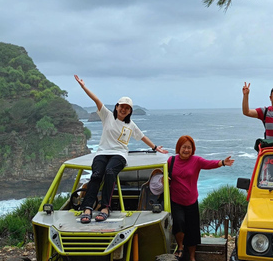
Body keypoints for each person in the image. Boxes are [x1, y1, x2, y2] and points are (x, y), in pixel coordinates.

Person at [74, 75, 168, 224]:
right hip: (103, 152)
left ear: (130, 111)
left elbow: (142, 136)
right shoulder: (107, 116)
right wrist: (83, 86)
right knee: (97, 174)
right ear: (117, 107)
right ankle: (87, 208)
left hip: (119, 154)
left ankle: (105, 208)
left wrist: (155, 147)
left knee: (110, 172)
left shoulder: (131, 125)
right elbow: (97, 100)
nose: (124, 109)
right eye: (122, 106)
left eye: (127, 108)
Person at [168, 135, 235, 261]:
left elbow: (209, 164)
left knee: (192, 229)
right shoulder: (171, 161)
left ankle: (192, 257)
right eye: (184, 147)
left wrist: (222, 163)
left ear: (192, 149)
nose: (186, 150)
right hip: (176, 200)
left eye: (189, 147)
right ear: (179, 148)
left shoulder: (196, 161)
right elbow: (163, 174)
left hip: (191, 201)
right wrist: (163, 178)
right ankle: (180, 247)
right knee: (179, 223)